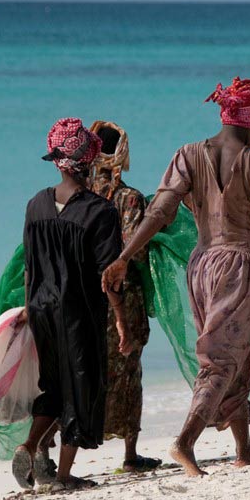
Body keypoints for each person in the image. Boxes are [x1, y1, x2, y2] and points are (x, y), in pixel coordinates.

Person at [102, 78, 250, 476]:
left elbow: (160, 212)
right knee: (223, 360)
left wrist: (124, 256)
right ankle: (185, 442)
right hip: (240, 264)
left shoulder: (186, 155)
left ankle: (244, 447)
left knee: (235, 353)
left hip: (201, 265)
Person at [12, 118, 131, 492]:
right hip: (79, 313)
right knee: (82, 388)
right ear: (91, 161)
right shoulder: (100, 211)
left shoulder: (36, 205)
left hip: (41, 309)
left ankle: (29, 446)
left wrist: (29, 310)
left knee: (52, 386)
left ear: (56, 160)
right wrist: (122, 320)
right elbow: (108, 277)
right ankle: (62, 475)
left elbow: (29, 266)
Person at [88, 119, 161, 473]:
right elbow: (135, 251)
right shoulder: (129, 198)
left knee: (81, 369)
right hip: (123, 297)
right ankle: (130, 454)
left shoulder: (75, 195)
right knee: (128, 371)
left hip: (81, 297)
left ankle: (57, 449)